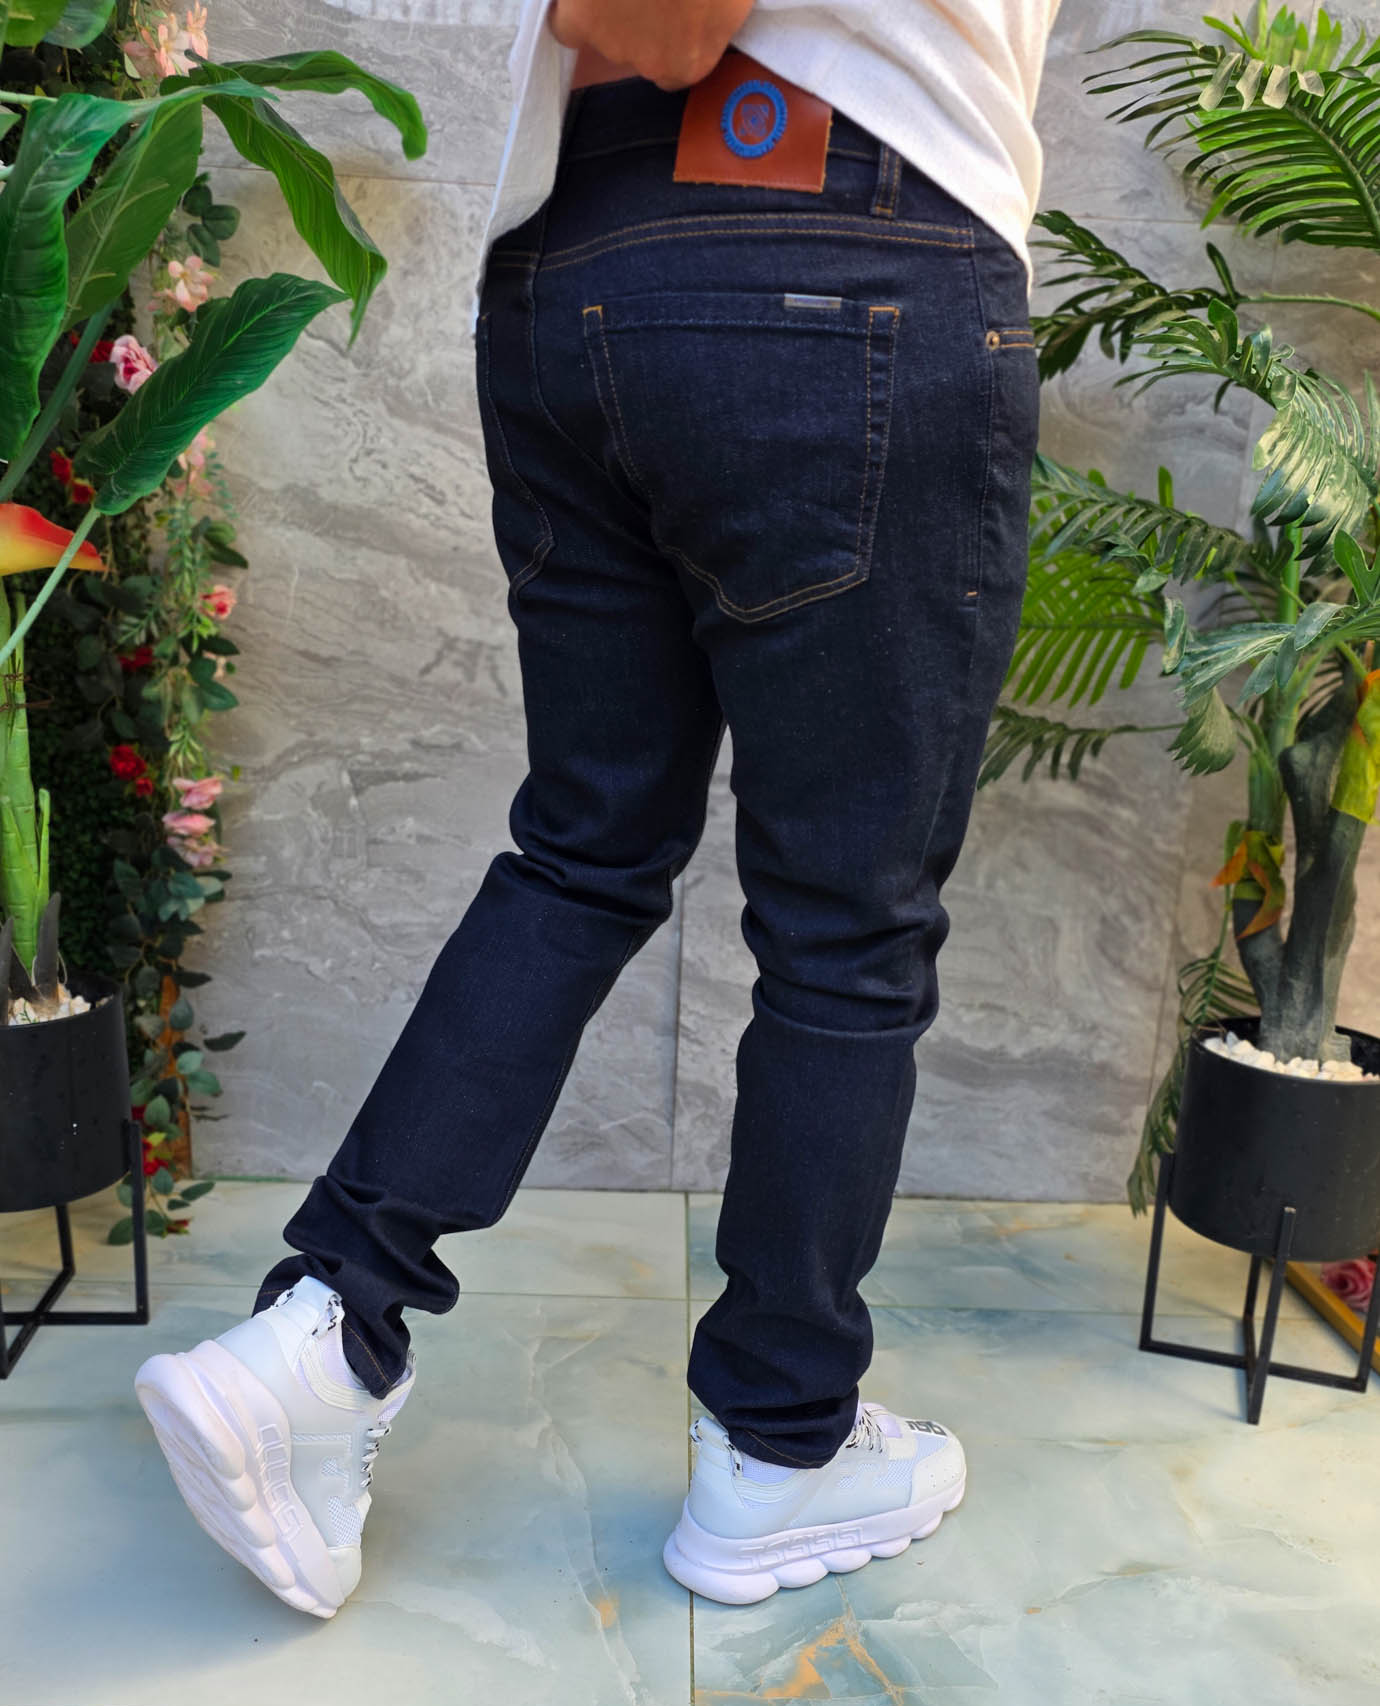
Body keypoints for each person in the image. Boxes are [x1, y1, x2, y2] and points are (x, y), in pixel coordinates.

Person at [134, 0, 1061, 1615]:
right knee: (845, 925)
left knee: (584, 849)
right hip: (843, 246)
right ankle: (779, 1446)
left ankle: (324, 1333)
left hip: (577, 266)